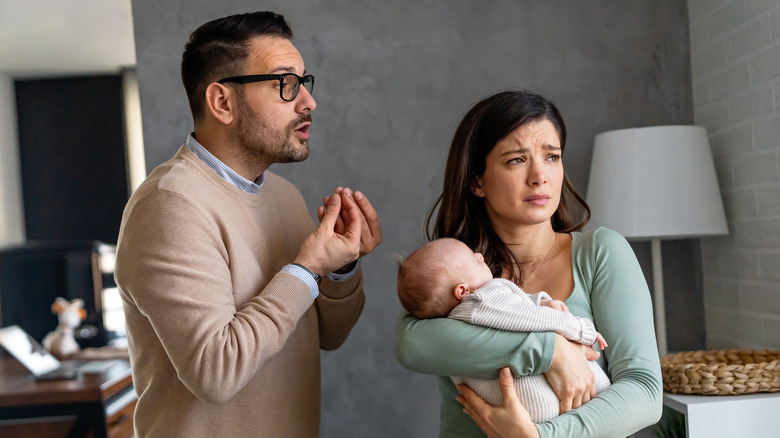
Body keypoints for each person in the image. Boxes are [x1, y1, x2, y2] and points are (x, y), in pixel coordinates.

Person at [115, 12, 381, 438]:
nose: (308, 102)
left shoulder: (284, 196)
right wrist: (307, 268)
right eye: (284, 84)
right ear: (222, 102)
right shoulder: (170, 205)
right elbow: (215, 373)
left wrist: (340, 267)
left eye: (303, 82)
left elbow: (328, 335)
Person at [394, 90, 662, 437]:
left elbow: (644, 390)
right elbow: (411, 345)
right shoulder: (454, 269)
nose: (539, 176)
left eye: (552, 157)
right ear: (477, 181)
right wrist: (550, 351)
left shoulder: (600, 253)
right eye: (516, 160)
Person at [396, 237, 610, 423]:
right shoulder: (481, 299)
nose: (480, 256)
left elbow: (513, 309)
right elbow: (526, 317)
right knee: (604, 387)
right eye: (473, 258)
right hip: (537, 398)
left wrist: (541, 302)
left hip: (518, 408)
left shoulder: (455, 318)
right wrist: (582, 330)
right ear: (462, 290)